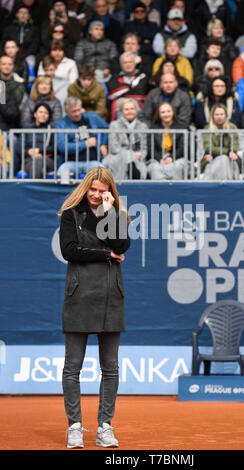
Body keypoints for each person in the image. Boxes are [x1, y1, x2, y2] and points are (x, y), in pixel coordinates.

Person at [58, 166, 130, 449]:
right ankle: (75, 426)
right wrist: (105, 254)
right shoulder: (70, 214)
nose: (98, 196)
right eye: (94, 190)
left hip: (111, 296)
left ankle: (105, 427)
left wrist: (111, 215)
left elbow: (122, 245)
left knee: (110, 367)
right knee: (72, 367)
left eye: (104, 191)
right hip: (79, 296)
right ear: (85, 188)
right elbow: (69, 250)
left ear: (111, 192)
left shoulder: (116, 215)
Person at [54, 96, 109, 177]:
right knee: (61, 174)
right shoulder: (61, 124)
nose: (77, 114)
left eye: (79, 110)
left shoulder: (92, 117)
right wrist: (86, 143)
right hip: (70, 163)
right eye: (74, 111)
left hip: (93, 161)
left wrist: (104, 144)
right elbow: (63, 147)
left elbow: (106, 129)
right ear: (66, 112)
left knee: (103, 175)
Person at [103, 98, 148, 179]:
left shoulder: (143, 126)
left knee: (141, 168)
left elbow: (144, 149)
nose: (129, 111)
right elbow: (114, 148)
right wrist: (131, 155)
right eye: (126, 109)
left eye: (132, 109)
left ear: (136, 111)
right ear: (121, 112)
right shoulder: (114, 125)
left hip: (137, 159)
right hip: (117, 157)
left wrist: (139, 155)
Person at [201, 103, 240, 180]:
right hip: (211, 158)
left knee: (225, 159)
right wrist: (227, 152)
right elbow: (208, 148)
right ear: (212, 116)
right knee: (223, 159)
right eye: (217, 114)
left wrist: (231, 152)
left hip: (230, 158)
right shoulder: (207, 128)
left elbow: (235, 145)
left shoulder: (232, 128)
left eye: (222, 114)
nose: (219, 117)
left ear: (226, 115)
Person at [147, 101, 186, 180]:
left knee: (177, 166)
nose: (166, 114)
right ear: (159, 114)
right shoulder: (153, 128)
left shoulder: (182, 128)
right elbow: (151, 147)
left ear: (173, 112)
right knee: (154, 168)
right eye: (163, 112)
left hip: (176, 159)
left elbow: (182, 147)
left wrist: (172, 158)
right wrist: (159, 159)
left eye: (168, 111)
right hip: (158, 160)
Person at [17, 102, 55, 178]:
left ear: (48, 116)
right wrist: (29, 152)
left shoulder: (52, 130)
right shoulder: (26, 129)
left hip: (48, 160)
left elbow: (55, 148)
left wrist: (39, 150)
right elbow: (19, 148)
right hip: (28, 161)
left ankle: (32, 188)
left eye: (46, 113)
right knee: (36, 164)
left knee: (38, 160)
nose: (43, 115)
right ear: (35, 114)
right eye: (40, 112)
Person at [107, 51, 149, 120]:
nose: (128, 64)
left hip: (139, 108)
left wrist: (123, 91)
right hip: (119, 108)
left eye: (130, 62)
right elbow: (111, 95)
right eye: (125, 63)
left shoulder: (143, 76)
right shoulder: (115, 78)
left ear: (135, 63)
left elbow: (141, 93)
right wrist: (130, 87)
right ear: (121, 65)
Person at [37, 40, 79, 110]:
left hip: (64, 92)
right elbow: (40, 79)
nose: (57, 53)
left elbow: (73, 84)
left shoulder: (71, 63)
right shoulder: (43, 63)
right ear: (50, 52)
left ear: (64, 52)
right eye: (54, 50)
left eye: (60, 50)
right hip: (46, 91)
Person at [1, 3, 40, 69]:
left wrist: (22, 55)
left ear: (29, 16)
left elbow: (34, 46)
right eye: (21, 12)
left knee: (31, 63)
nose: (23, 15)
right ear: (16, 14)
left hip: (27, 55)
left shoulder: (34, 29)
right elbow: (4, 43)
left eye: (25, 13)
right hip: (10, 53)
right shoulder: (9, 28)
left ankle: (29, 79)